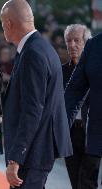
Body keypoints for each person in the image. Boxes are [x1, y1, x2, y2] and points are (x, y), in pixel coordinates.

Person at [0, 0, 73, 188]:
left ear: (8, 23)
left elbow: (32, 110)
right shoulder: (39, 47)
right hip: (37, 149)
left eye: (2, 24)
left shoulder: (33, 52)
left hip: (33, 152)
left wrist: (16, 158)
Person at [65, 31, 102, 189]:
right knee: (84, 183)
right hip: (95, 134)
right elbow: (75, 90)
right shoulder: (94, 45)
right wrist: (61, 126)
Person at [62, 24, 92, 189]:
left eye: (77, 40)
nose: (72, 45)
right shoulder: (61, 72)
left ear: (86, 42)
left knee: (87, 181)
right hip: (70, 133)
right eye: (68, 41)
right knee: (75, 180)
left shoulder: (94, 70)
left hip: (91, 131)